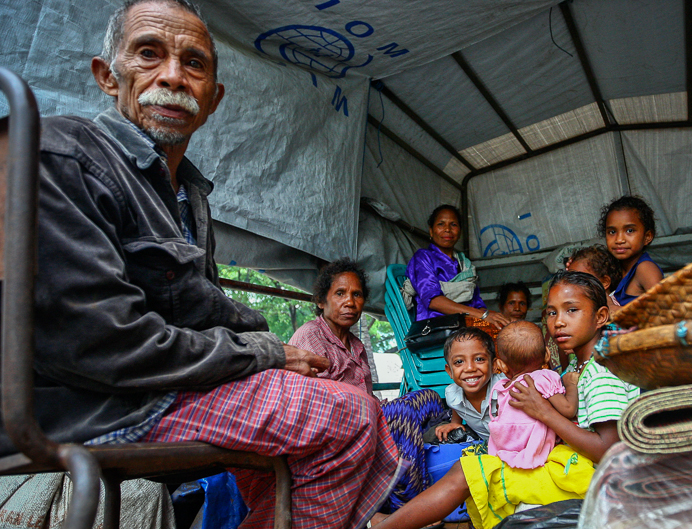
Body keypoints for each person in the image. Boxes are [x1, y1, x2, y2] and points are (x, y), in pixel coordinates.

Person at [11, 1, 398, 527]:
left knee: (345, 414)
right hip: (98, 403)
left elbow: (205, 313)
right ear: (108, 75)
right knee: (349, 416)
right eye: (148, 54)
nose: (172, 76)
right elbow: (98, 343)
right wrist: (263, 351)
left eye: (194, 63)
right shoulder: (66, 153)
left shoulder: (190, 195)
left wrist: (264, 349)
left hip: (162, 387)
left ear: (213, 98)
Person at [372, 271, 641, 529]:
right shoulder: (575, 369)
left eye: (572, 310)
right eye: (551, 312)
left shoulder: (602, 372)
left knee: (469, 472)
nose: (558, 321)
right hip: (571, 461)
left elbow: (608, 451)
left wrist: (544, 413)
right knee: (469, 466)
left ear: (601, 316)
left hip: (591, 476)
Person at [488, 321, 578, 469]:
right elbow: (568, 409)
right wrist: (571, 385)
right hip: (535, 451)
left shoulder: (502, 387)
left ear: (501, 365)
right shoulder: (544, 379)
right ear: (547, 355)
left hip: (502, 452)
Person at [405, 205, 510, 329]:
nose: (447, 229)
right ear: (431, 231)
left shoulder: (464, 263)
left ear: (459, 231)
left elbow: (476, 302)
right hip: (438, 326)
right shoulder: (423, 257)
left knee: (509, 329)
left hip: (467, 323)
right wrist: (482, 315)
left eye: (453, 224)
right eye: (441, 224)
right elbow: (433, 301)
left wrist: (489, 318)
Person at [289, 258, 373, 394]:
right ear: (321, 301)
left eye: (357, 294)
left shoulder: (357, 346)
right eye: (340, 293)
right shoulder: (311, 335)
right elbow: (318, 400)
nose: (350, 302)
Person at [434, 328, 506, 442]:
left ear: (494, 365)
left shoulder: (507, 389)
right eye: (459, 362)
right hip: (488, 447)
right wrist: (455, 423)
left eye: (479, 359)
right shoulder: (452, 394)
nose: (470, 368)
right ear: (449, 371)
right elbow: (456, 406)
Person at [599, 196, 665, 305]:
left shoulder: (645, 269)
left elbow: (663, 311)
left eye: (629, 230)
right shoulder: (615, 269)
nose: (619, 240)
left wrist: (615, 310)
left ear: (647, 236)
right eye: (612, 232)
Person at [567, 244, 622, 310]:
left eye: (580, 280)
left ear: (604, 282)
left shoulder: (610, 303)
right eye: (570, 279)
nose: (572, 284)